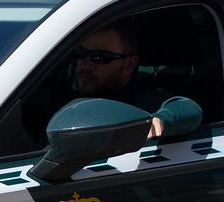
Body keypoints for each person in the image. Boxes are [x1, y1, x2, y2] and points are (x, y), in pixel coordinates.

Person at [67, 22, 202, 139]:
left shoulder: (141, 98)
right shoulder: (54, 82)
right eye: (81, 53)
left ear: (129, 65)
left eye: (100, 57)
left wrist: (160, 120)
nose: (84, 64)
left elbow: (187, 108)